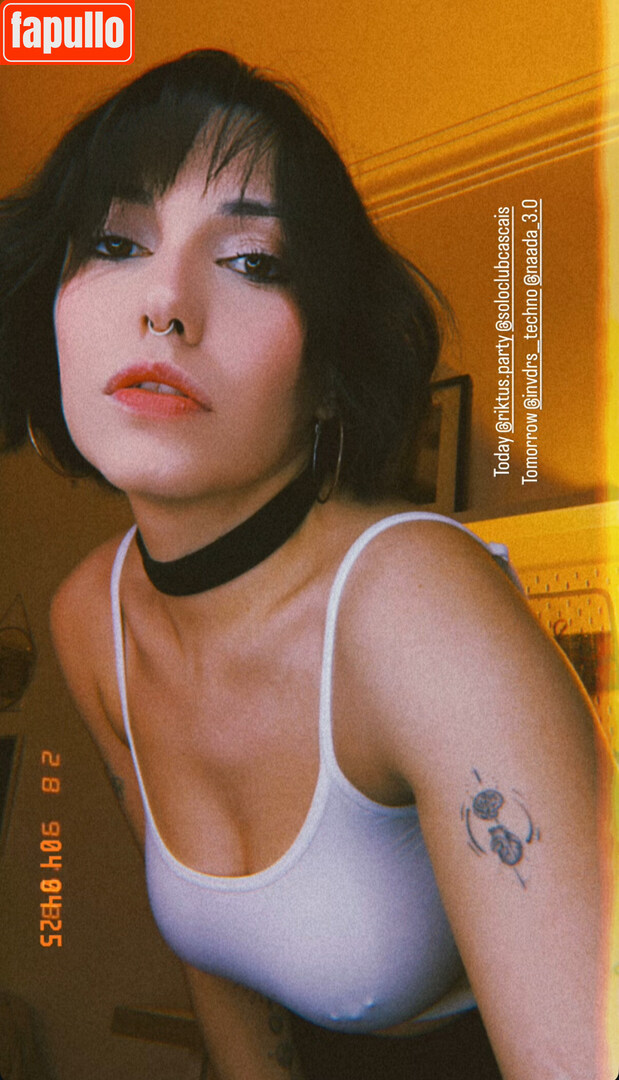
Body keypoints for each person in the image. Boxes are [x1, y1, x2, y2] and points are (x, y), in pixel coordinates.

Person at [0, 50, 612, 1080]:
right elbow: (220, 973)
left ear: (327, 370)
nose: (165, 303)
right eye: (114, 242)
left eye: (251, 262)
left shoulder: (419, 605)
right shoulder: (86, 617)